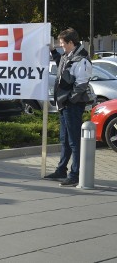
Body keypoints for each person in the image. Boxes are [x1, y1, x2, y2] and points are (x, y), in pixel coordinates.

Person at [44, 28, 94, 187]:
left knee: (74, 141)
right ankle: (61, 170)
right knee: (65, 139)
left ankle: (75, 174)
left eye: (62, 44)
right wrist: (53, 51)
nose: (61, 46)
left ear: (71, 43)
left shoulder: (82, 60)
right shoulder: (69, 56)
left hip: (71, 105)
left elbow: (81, 84)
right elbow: (61, 66)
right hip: (65, 104)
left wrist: (69, 101)